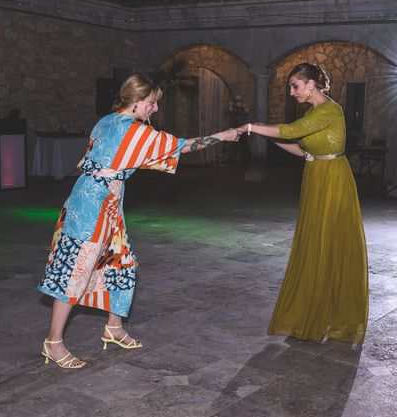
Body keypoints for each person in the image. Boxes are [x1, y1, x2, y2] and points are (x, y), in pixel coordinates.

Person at [37, 74, 241, 369]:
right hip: (94, 207)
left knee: (122, 262)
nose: (155, 109)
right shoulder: (133, 130)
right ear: (136, 102)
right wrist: (223, 136)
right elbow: (181, 146)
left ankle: (114, 327)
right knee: (76, 271)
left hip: (99, 200)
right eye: (152, 103)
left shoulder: (106, 120)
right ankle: (53, 343)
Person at [240, 63, 368, 345]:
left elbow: (291, 130)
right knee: (313, 244)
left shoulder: (329, 111)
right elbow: (301, 147)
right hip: (315, 178)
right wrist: (264, 134)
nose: (291, 91)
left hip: (333, 180)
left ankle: (332, 318)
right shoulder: (314, 114)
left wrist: (251, 126)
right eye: (290, 86)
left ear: (311, 85)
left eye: (294, 86)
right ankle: (313, 312)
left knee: (329, 244)